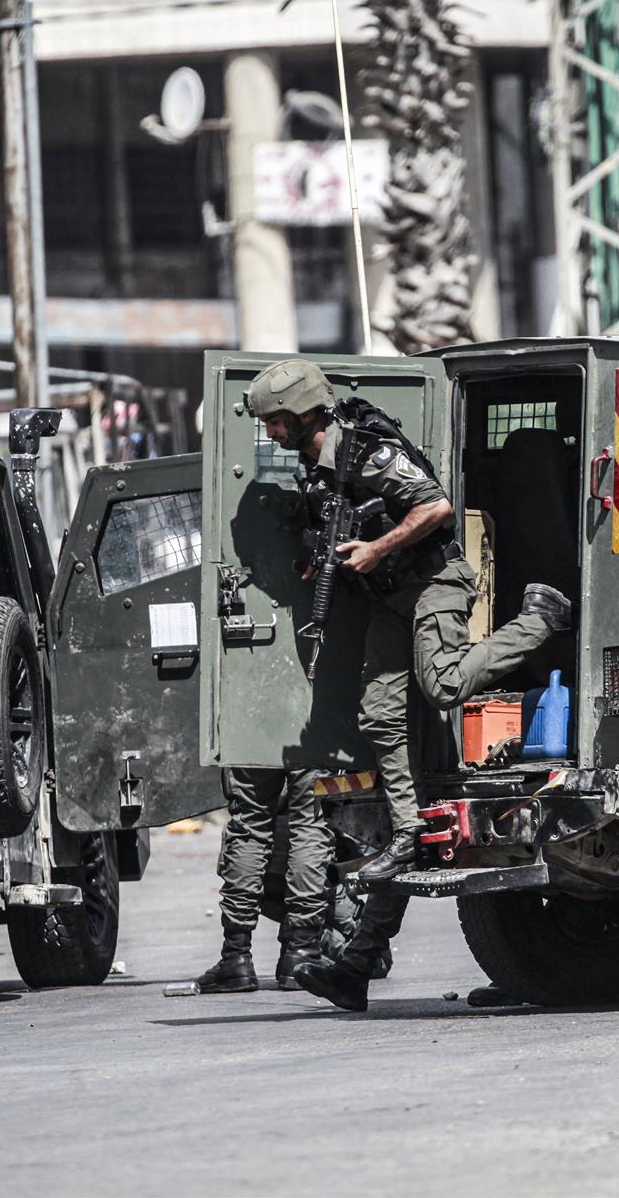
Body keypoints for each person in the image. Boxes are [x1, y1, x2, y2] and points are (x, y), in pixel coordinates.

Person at [241, 358, 573, 1012]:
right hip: (389, 597)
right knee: (379, 715)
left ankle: (540, 619)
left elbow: (436, 506)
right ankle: (404, 836)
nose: (270, 435)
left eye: (274, 422)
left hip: (433, 582)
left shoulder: (367, 451)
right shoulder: (317, 464)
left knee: (443, 683)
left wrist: (376, 548)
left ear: (302, 411)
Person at [194, 767, 330, 993]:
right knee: (310, 822)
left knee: (249, 823)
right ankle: (303, 952)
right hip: (311, 735)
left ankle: (236, 956)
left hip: (253, 734)